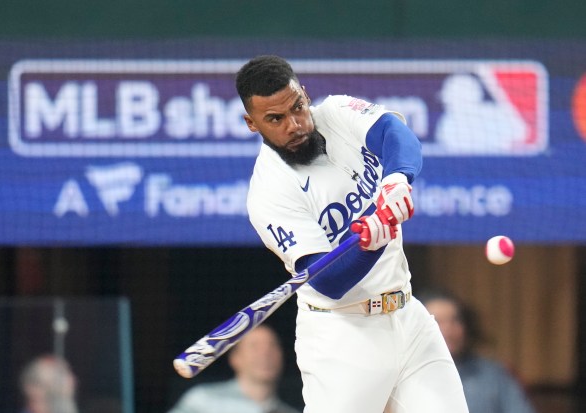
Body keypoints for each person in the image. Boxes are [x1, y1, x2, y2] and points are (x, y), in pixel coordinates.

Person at [235, 55, 469, 413]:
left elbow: (396, 133)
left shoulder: (336, 112)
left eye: (297, 107)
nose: (295, 124)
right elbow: (326, 280)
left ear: (305, 94)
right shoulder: (269, 191)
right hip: (342, 337)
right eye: (276, 119)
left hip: (408, 317)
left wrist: (396, 179)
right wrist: (370, 243)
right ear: (252, 124)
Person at [420, 289, 536, 413]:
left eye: (455, 320)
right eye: (438, 322)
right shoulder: (405, 375)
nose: (448, 330)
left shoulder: (493, 375)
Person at [167, 325, 300, 413]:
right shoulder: (203, 400)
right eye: (254, 346)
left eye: (272, 346)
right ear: (235, 358)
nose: (265, 353)